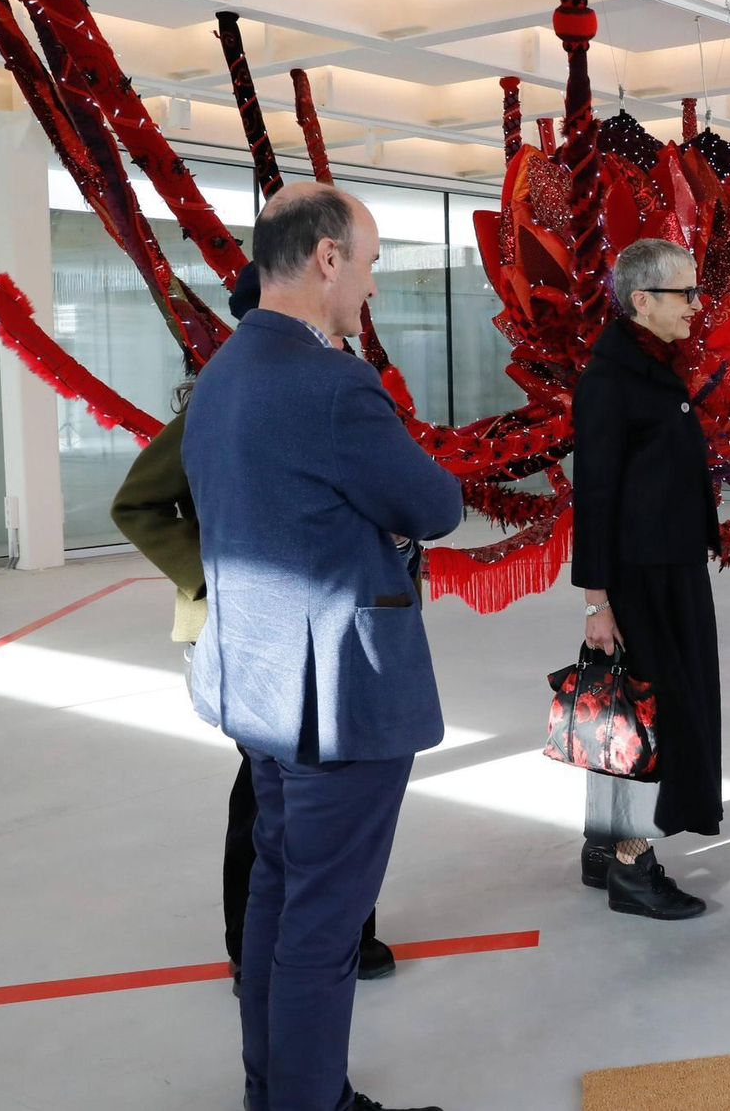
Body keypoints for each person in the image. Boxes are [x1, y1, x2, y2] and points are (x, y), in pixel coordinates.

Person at [185, 184, 460, 1111]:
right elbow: (434, 504)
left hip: (256, 685)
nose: (372, 287)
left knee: (277, 895)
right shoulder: (332, 381)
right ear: (327, 258)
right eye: (372, 263)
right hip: (336, 696)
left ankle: (282, 1092)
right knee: (322, 925)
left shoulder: (223, 371)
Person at [111, 263, 395, 996]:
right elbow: (139, 505)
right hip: (243, 624)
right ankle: (250, 940)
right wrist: (209, 573)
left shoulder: (335, 388)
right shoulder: (223, 400)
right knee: (266, 791)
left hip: (327, 621)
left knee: (327, 780)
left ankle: (344, 929)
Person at [572, 238, 724, 920]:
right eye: (684, 293)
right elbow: (595, 492)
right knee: (648, 715)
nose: (697, 304)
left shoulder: (651, 365)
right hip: (642, 578)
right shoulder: (613, 378)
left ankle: (605, 847)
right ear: (641, 300)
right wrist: (596, 601)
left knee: (630, 709)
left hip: (670, 566)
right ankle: (634, 866)